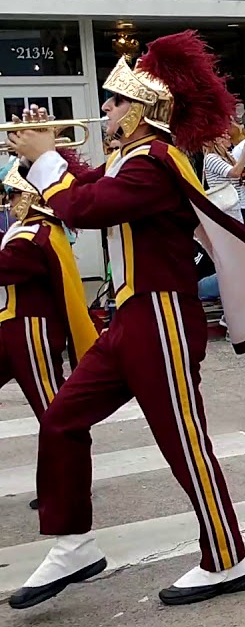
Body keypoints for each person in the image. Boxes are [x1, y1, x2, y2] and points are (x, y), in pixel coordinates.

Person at [7, 31, 245, 609]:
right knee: (59, 421)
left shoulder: (156, 161)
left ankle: (228, 559)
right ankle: (72, 542)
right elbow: (84, 189)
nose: (105, 109)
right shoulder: (131, 159)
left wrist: (48, 158)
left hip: (161, 319)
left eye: (116, 100)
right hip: (129, 319)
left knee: (184, 443)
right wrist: (47, 154)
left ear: (146, 110)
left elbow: (88, 206)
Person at [0, 165, 98, 512]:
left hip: (32, 333)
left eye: (13, 194)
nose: (9, 202)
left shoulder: (37, 235)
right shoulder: (27, 229)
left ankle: (67, 487)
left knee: (55, 414)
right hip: (11, 329)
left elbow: (4, 267)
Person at [201, 130, 245, 221]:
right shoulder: (211, 158)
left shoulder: (228, 156)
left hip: (235, 204)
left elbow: (243, 175)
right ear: (216, 139)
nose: (229, 137)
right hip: (223, 207)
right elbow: (235, 173)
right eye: (225, 135)